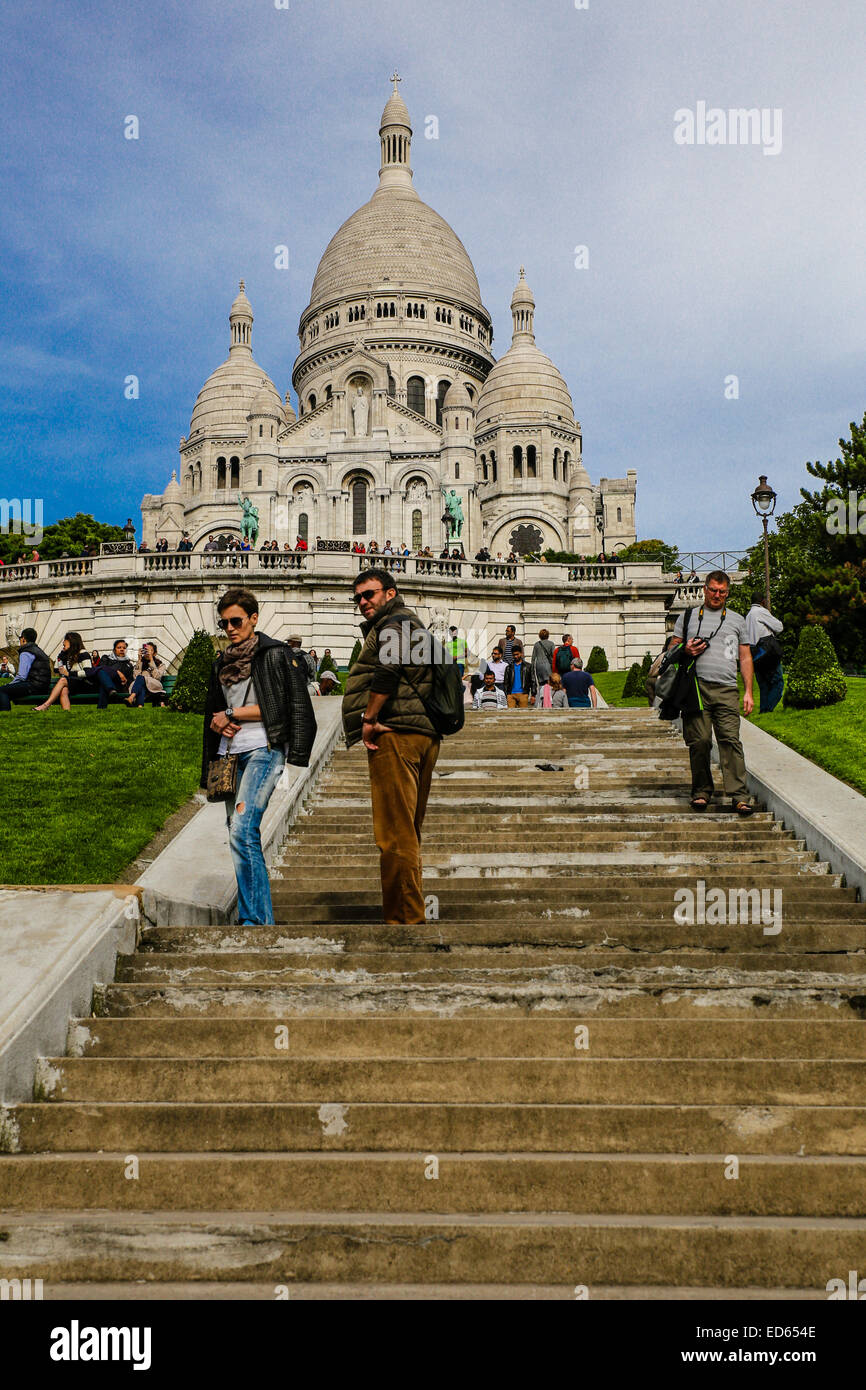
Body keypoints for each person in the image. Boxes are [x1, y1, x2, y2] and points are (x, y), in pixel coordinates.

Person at [202, 587, 316, 925]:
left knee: (241, 829)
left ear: (254, 618)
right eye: (224, 624)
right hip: (229, 756)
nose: (230, 629)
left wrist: (233, 714)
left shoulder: (276, 654)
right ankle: (256, 916)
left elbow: (281, 707)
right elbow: (216, 710)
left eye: (236, 621)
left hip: (264, 750)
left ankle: (255, 921)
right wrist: (219, 721)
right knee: (238, 833)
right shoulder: (221, 662)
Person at [342, 567, 440, 925]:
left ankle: (405, 919)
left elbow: (388, 669)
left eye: (369, 594)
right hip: (420, 733)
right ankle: (408, 912)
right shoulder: (410, 623)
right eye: (358, 598)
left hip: (396, 734)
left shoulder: (394, 624)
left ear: (390, 592)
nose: (363, 602)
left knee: (394, 835)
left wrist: (368, 719)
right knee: (407, 833)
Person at [667, 570, 754, 816]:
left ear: (728, 593)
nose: (717, 595)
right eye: (713, 590)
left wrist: (749, 691)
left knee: (730, 740)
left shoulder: (737, 620)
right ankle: (702, 791)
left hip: (727, 688)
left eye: (722, 592)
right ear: (704, 589)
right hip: (696, 688)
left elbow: (745, 656)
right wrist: (685, 648)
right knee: (700, 741)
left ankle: (739, 796)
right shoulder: (688, 616)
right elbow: (672, 649)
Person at [744, 598, 784, 713]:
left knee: (763, 684)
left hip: (754, 654)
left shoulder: (748, 615)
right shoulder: (761, 611)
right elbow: (779, 627)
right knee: (778, 682)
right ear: (762, 601)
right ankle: (768, 709)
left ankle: (763, 710)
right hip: (767, 652)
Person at [33, 632, 93, 710]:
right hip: (72, 683)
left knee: (63, 680)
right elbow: (56, 669)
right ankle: (66, 713)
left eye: (65, 640)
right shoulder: (65, 655)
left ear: (72, 641)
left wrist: (69, 673)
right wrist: (61, 656)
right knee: (64, 690)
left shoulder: (83, 654)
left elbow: (88, 672)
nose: (63, 642)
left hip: (84, 683)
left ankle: (46, 705)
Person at [0, 627, 51, 709]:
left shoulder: (26, 652)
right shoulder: (39, 650)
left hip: (33, 686)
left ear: (23, 639)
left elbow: (22, 676)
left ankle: (5, 713)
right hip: (43, 686)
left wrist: (9, 684)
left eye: (20, 638)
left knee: (2, 690)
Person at [90, 638, 134, 709]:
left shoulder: (128, 664)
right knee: (101, 672)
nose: (122, 649)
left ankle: (101, 709)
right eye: (119, 647)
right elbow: (98, 668)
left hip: (118, 686)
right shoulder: (106, 658)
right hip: (103, 683)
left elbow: (130, 680)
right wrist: (118, 672)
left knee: (104, 684)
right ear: (114, 650)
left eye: (124, 648)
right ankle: (110, 689)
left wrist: (125, 682)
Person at [127, 642, 168, 706]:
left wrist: (151, 660)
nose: (148, 652)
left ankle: (131, 697)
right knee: (141, 685)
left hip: (154, 686)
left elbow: (157, 677)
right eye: (146, 650)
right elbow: (136, 677)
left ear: (155, 653)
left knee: (141, 678)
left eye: (150, 650)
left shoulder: (161, 665)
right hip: (140, 685)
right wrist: (139, 660)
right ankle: (140, 706)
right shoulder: (139, 663)